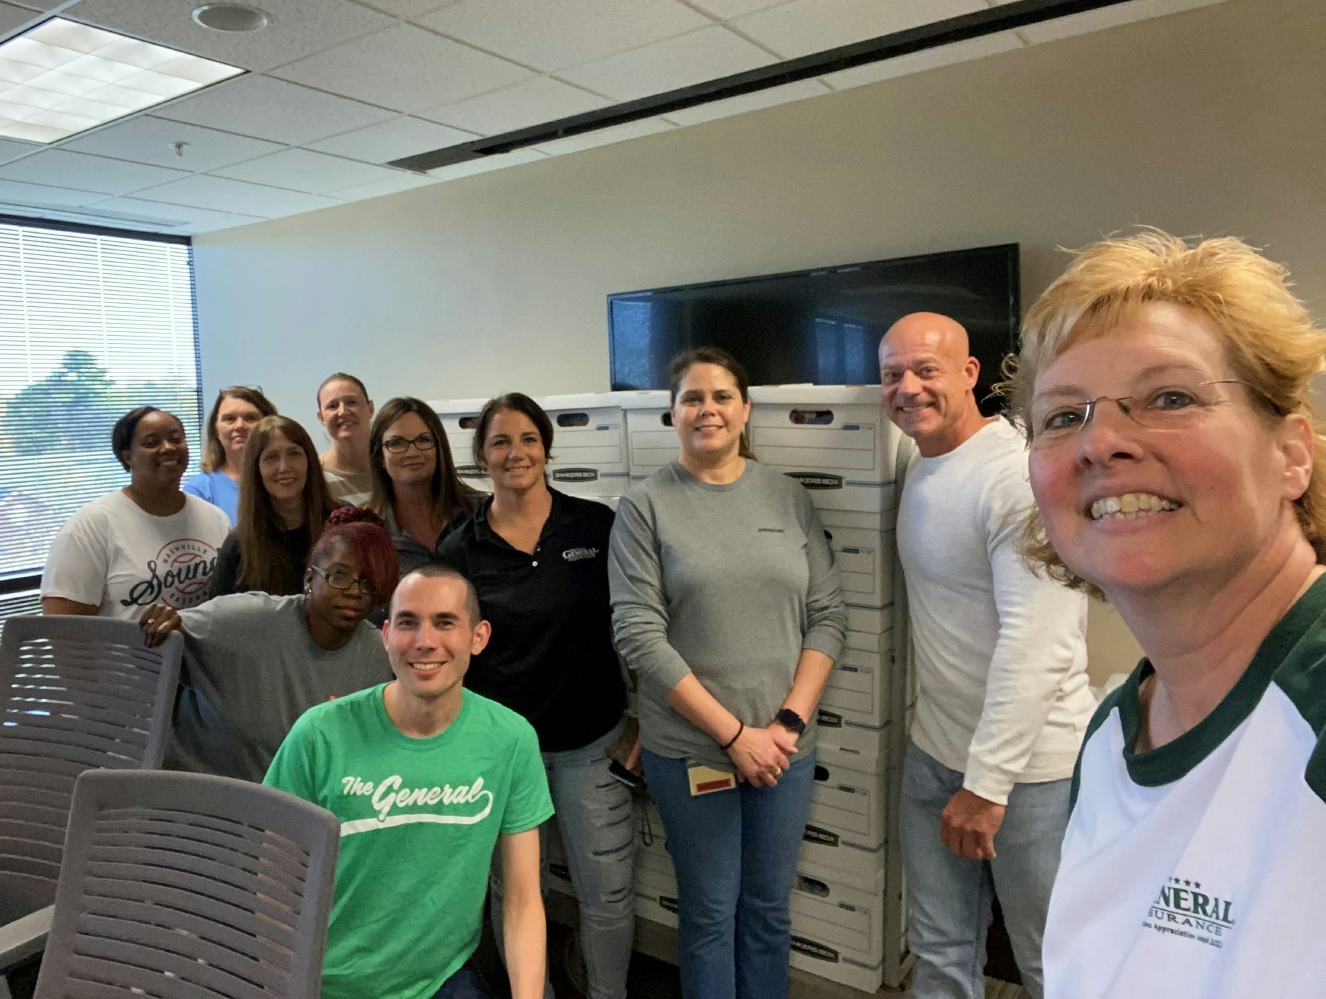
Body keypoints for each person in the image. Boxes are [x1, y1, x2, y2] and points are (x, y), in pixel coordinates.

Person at [1004, 231, 1326, 997]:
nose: (1103, 440)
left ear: (1292, 453)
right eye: (1060, 416)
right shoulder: (1113, 735)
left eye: (1171, 397)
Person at [608, 347, 848, 999]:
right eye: (692, 397)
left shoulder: (787, 496)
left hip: (784, 752)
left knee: (768, 911)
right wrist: (736, 735)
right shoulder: (644, 507)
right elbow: (637, 633)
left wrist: (786, 724)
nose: (706, 408)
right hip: (694, 754)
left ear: (745, 409)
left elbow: (827, 615)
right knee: (711, 914)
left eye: (721, 396)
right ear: (672, 413)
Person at [878, 313, 1094, 999]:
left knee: (1051, 961)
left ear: (970, 374)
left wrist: (986, 784)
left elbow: (1040, 647)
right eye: (892, 375)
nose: (908, 388)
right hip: (936, 752)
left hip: (1028, 774)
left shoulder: (1016, 477)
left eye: (925, 369)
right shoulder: (921, 463)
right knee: (940, 952)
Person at [265, 564, 554, 999]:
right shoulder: (320, 735)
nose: (424, 641)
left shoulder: (510, 740)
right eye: (407, 623)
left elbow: (522, 902)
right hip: (324, 982)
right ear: (385, 636)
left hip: (440, 979)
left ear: (479, 637)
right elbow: (270, 886)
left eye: (445, 622)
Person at [437, 393, 634, 999]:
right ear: (480, 457)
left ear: (546, 448)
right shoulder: (461, 547)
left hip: (591, 746)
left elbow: (637, 623)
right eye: (499, 441)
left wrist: (641, 725)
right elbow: (449, 650)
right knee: (518, 894)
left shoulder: (596, 526)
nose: (515, 452)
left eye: (527, 438)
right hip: (503, 755)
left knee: (607, 894)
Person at [137, 507, 395, 783]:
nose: (354, 591)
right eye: (339, 576)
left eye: (367, 584)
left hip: (294, 809)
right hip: (195, 802)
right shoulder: (242, 621)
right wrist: (161, 623)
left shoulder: (380, 656)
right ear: (309, 579)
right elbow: (152, 646)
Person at [41, 406, 230, 619]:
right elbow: (64, 631)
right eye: (151, 443)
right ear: (128, 456)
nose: (168, 448)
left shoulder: (215, 518)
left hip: (205, 652)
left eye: (176, 439)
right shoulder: (90, 527)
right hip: (127, 653)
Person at [206, 415, 337, 597]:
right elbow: (217, 617)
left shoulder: (342, 522)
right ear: (256, 469)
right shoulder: (239, 544)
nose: (284, 467)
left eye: (294, 454)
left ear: (310, 462)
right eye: (271, 458)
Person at [367, 396, 478, 579]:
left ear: (439, 447)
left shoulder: (481, 513)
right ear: (379, 456)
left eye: (424, 440)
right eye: (396, 443)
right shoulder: (367, 530)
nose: (412, 452)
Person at [183, 385, 278, 523]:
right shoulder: (199, 490)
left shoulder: (284, 479)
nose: (240, 426)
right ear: (215, 430)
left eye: (250, 418)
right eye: (229, 419)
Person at [317, 371, 375, 506]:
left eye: (352, 402)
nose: (343, 411)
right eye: (332, 406)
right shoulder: (315, 478)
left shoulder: (393, 464)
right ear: (321, 417)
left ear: (370, 408)